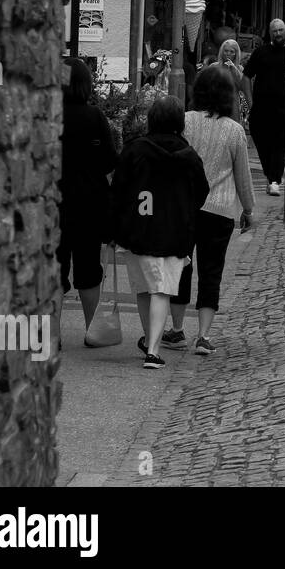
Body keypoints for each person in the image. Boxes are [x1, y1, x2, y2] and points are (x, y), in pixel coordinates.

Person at [161, 66, 255, 356]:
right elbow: (243, 177)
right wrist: (249, 210)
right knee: (212, 272)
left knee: (182, 267)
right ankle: (203, 335)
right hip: (220, 210)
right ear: (228, 96)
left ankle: (176, 331)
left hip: (185, 208)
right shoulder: (235, 131)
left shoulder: (184, 122)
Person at [110, 96, 209, 370]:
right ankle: (153, 349)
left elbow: (118, 190)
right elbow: (201, 192)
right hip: (174, 233)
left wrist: (115, 226)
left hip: (137, 232)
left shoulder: (135, 150)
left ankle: (148, 339)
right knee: (162, 290)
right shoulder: (189, 157)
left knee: (143, 289)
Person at [58, 57, 118, 339]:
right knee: (88, 267)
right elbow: (109, 162)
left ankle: (49, 334)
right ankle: (92, 329)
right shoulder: (95, 116)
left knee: (54, 266)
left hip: (54, 203)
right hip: (88, 202)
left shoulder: (46, 116)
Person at [243, 19, 285, 197]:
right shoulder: (261, 52)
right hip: (260, 110)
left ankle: (274, 181)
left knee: (279, 146)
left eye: (280, 30)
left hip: (284, 111)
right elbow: (246, 77)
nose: (278, 34)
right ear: (270, 33)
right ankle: (269, 175)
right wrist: (250, 103)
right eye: (274, 31)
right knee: (263, 145)